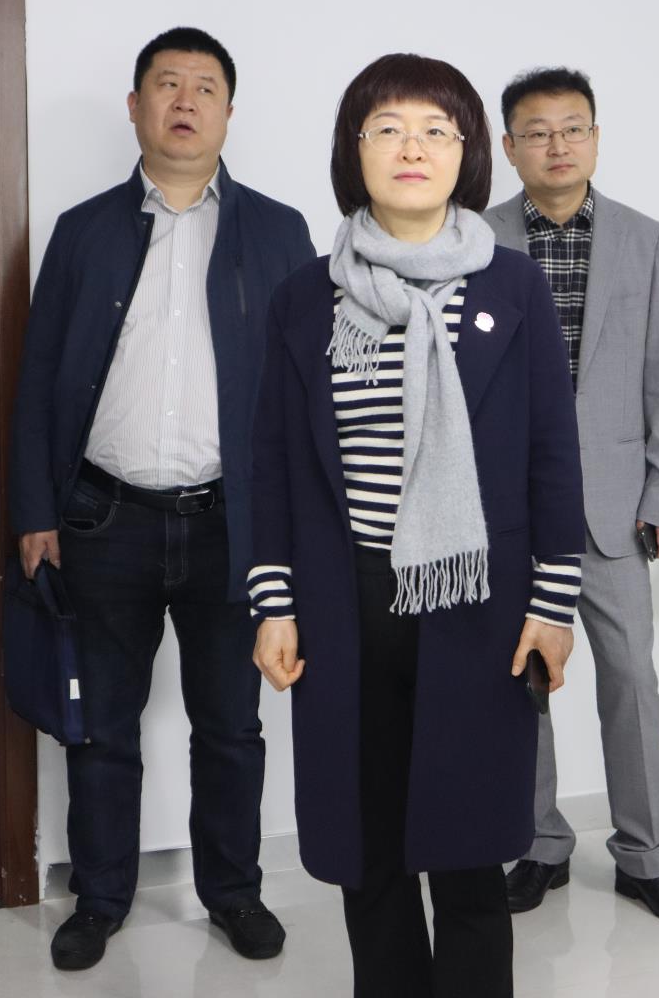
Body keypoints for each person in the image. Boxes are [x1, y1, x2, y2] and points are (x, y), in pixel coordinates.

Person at [249, 53, 585, 997]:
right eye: (388, 128)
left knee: (470, 851)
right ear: (353, 151)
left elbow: (553, 458)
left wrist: (553, 605)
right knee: (369, 848)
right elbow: (273, 463)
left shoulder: (513, 289)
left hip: (478, 602)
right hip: (343, 605)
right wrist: (273, 604)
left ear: (467, 153)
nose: (413, 148)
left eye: (437, 130)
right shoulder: (304, 298)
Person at [9, 27, 314, 972]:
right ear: (136, 107)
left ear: (229, 111)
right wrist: (34, 511)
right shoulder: (83, 230)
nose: (186, 100)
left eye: (205, 86)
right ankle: (100, 898)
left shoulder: (281, 232)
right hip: (104, 521)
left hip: (233, 527)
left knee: (231, 726)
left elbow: (305, 394)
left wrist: (296, 531)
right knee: (102, 727)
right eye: (167, 84)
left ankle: (234, 893)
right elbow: (37, 378)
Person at [486, 68, 659, 925]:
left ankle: (646, 858)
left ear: (597, 138)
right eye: (538, 132)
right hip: (508, 505)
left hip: (613, 505)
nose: (558, 145)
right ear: (510, 147)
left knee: (631, 681)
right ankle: (538, 845)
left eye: (573, 128)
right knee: (521, 682)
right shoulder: (475, 238)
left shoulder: (646, 240)